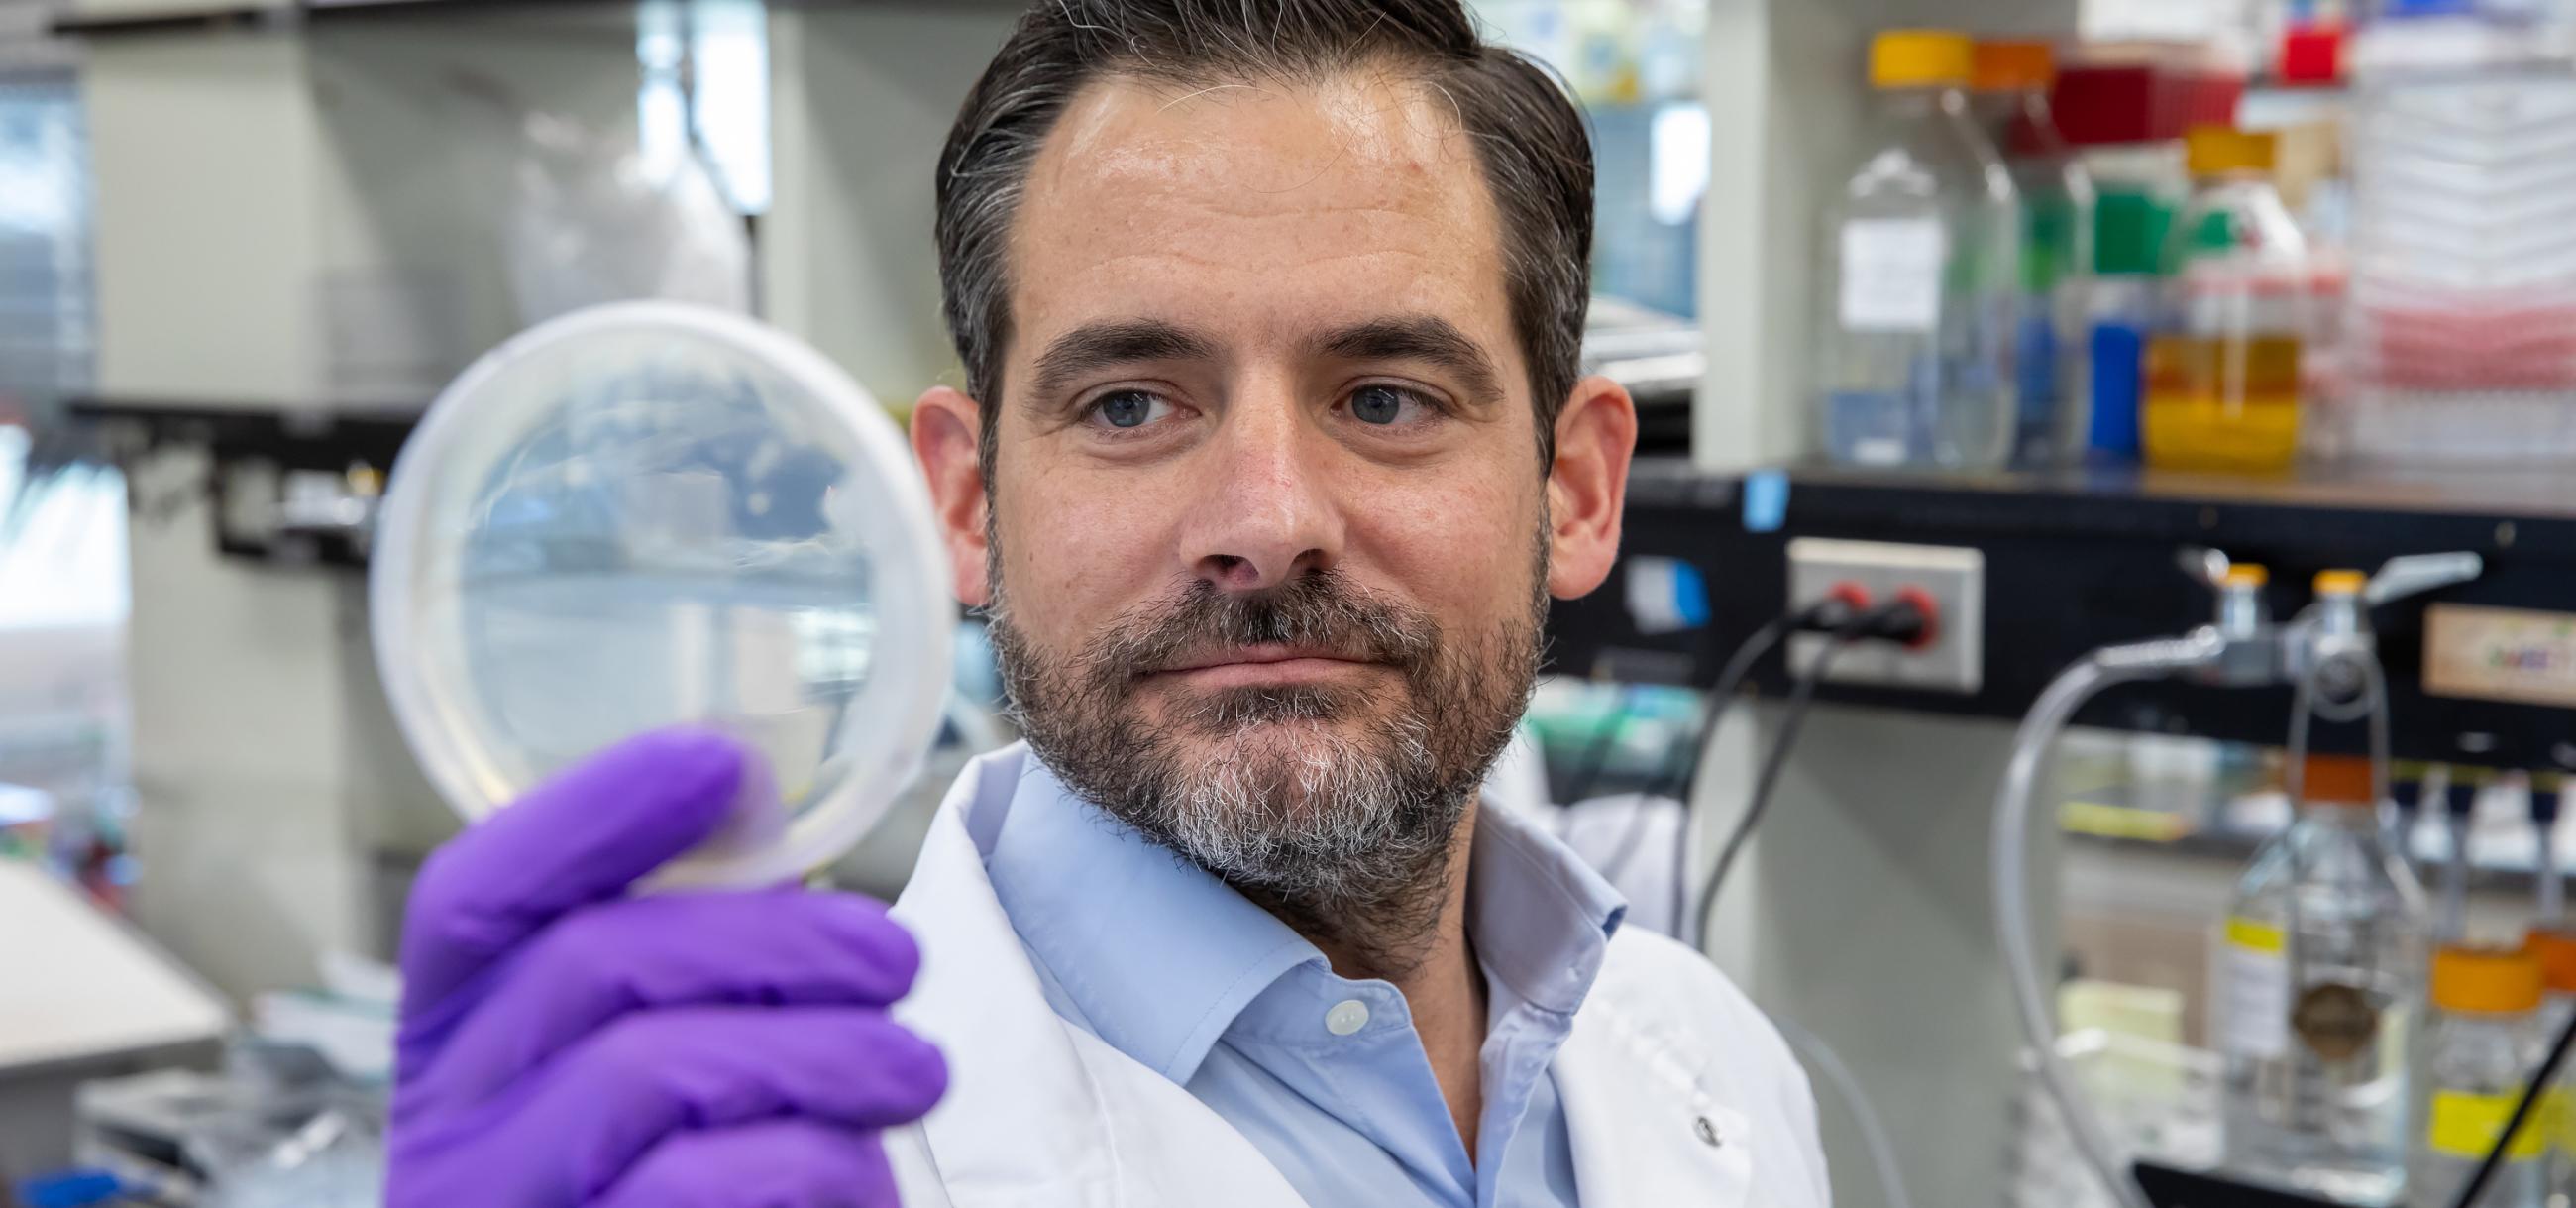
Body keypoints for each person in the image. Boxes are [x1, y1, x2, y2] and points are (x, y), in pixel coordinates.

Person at [382, 2, 1831, 1205]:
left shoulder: (1711, 1072)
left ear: (1575, 490)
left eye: (1385, 398)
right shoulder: (795, 1165)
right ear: (966, 500)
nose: (1266, 525)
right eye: (1131, 403)